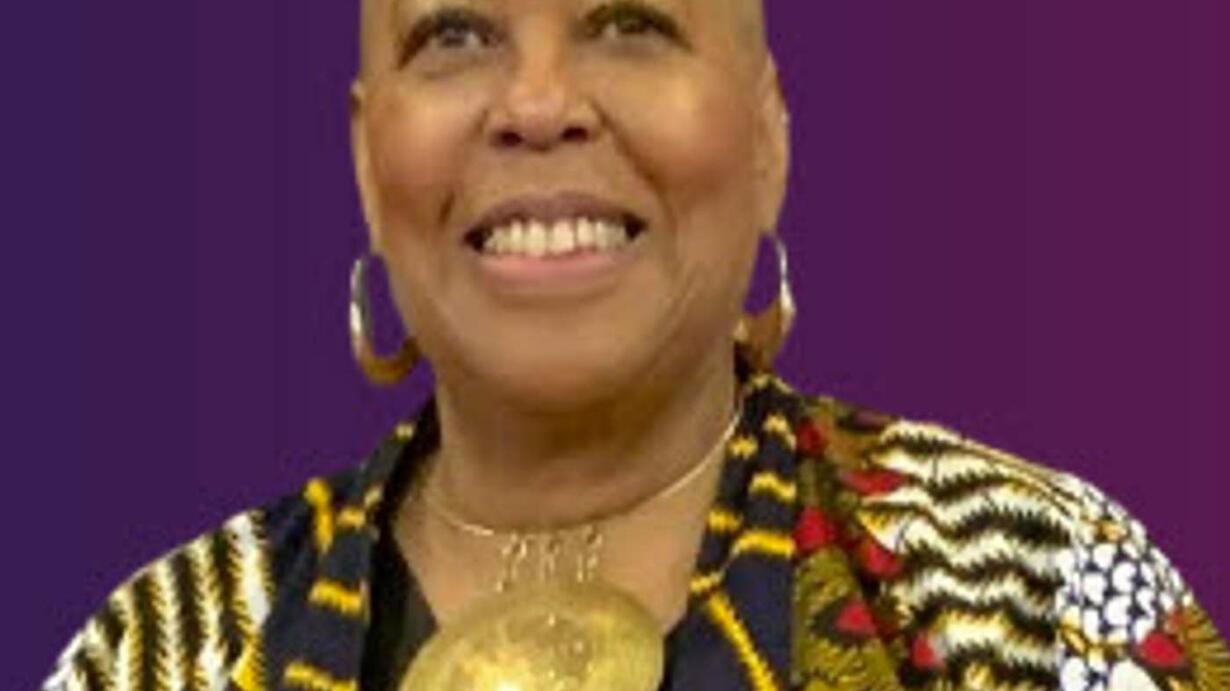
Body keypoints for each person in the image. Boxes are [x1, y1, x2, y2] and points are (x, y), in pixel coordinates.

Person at [44, 0, 1229, 690]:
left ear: (766, 135)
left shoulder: (1035, 589)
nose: (536, 105)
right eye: (455, 33)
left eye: (630, 23)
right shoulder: (166, 649)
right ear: (365, 160)